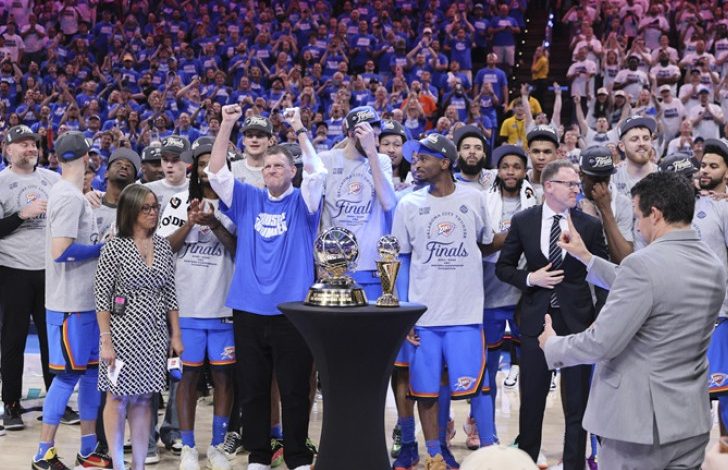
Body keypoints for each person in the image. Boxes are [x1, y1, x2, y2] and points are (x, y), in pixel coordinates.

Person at [540, 171, 726, 470]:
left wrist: (553, 345)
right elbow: (656, 287)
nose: (637, 226)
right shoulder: (713, 265)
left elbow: (602, 343)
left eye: (638, 216)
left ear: (655, 214)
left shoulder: (643, 265)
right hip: (691, 421)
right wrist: (587, 258)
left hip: (638, 427)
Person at [207, 104, 325, 470]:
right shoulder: (248, 197)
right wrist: (227, 124)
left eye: (279, 166)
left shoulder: (305, 202)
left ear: (293, 172)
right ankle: (258, 455)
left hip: (292, 312)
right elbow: (216, 173)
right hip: (248, 308)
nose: (272, 170)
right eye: (268, 166)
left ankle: (297, 456)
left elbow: (318, 172)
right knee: (253, 389)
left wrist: (299, 128)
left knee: (294, 389)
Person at [495, 159, 608, 469]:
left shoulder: (589, 225)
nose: (576, 189)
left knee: (577, 405)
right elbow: (504, 267)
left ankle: (574, 464)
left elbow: (604, 275)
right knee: (531, 402)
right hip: (536, 320)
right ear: (548, 186)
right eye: (569, 184)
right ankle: (526, 462)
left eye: (577, 184)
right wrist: (531, 278)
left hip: (578, 323)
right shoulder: (524, 221)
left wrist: (600, 316)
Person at [392, 133, 495, 470]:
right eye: (415, 158)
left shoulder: (475, 198)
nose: (416, 164)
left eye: (423, 158)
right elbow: (402, 260)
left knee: (477, 387)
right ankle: (436, 453)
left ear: (445, 163)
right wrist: (406, 314)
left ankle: (490, 452)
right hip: (425, 316)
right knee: (426, 392)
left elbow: (486, 242)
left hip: (466, 312)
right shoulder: (407, 204)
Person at [157, 136, 237, 470]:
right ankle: (188, 447)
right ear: (195, 169)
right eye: (202, 164)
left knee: (224, 380)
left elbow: (241, 251)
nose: (207, 170)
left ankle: (217, 446)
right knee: (186, 379)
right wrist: (190, 222)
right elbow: (163, 250)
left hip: (224, 308)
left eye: (213, 164)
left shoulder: (235, 202)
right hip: (186, 308)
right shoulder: (178, 203)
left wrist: (214, 224)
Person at [33, 130, 111, 469]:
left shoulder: (72, 194)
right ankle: (43, 453)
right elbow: (61, 251)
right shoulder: (67, 196)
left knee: (91, 375)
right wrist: (102, 248)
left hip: (85, 301)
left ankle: (88, 449)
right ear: (86, 157)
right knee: (66, 377)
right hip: (69, 304)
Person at [95, 183, 183, 470]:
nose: (152, 212)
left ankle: (139, 464)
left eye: (155, 207)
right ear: (130, 210)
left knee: (145, 399)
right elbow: (102, 297)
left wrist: (176, 335)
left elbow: (170, 293)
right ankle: (118, 464)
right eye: (146, 208)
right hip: (120, 333)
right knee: (116, 397)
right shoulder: (114, 247)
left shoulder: (163, 246)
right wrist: (106, 340)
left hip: (154, 334)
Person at [0, 125, 58, 433]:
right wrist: (22, 214)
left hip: (49, 270)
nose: (31, 148)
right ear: (8, 150)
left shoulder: (53, 179)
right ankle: (11, 404)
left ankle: (56, 402)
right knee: (13, 340)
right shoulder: (1, 183)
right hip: (13, 269)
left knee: (52, 339)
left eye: (33, 143)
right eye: (23, 144)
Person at [318, 106, 397, 299]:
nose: (375, 142)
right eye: (370, 137)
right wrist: (319, 262)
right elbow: (317, 214)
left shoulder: (381, 160)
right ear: (352, 134)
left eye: (376, 137)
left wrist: (372, 154)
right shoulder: (327, 160)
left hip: (371, 267)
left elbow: (388, 203)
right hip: (334, 265)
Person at [577, 146, 634, 263]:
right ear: (581, 174)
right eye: (595, 179)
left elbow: (624, 260)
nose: (601, 185)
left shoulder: (622, 202)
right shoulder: (570, 197)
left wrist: (606, 209)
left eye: (605, 178)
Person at [144, 135, 191, 212]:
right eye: (165, 159)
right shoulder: (146, 190)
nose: (169, 165)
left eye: (175, 160)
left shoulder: (199, 189)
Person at [231, 116, 274, 187]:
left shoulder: (277, 170)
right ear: (243, 141)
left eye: (260, 136)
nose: (254, 140)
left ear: (270, 141)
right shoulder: (232, 169)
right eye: (250, 136)